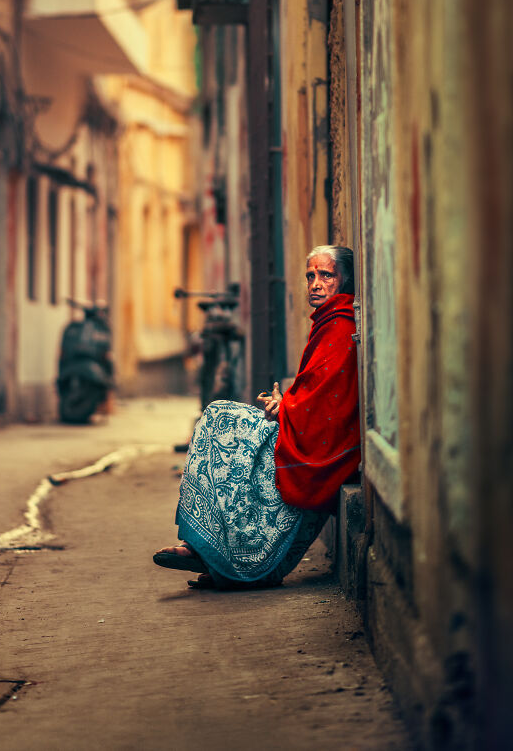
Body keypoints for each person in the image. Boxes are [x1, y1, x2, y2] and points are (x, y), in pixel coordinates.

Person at [153, 245, 361, 590]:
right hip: (303, 428)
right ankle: (206, 549)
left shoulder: (340, 328)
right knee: (218, 417)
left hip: (320, 448)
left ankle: (214, 554)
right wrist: (287, 401)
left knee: (220, 419)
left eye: (326, 275)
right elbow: (318, 392)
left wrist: (287, 407)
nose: (315, 283)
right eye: (311, 275)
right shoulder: (329, 322)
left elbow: (329, 404)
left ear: (344, 279)